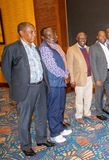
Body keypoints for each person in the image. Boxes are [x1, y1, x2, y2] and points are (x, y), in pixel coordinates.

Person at [1, 22, 54, 156]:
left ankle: (41, 139)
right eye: (31, 32)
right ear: (21, 33)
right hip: (26, 90)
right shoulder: (12, 48)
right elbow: (7, 70)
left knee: (41, 115)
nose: (34, 34)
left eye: (34, 32)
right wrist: (17, 86)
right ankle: (26, 146)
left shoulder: (35, 48)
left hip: (40, 86)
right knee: (25, 119)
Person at [39, 27, 72, 143]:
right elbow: (51, 67)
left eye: (53, 33)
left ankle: (60, 128)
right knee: (54, 108)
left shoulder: (56, 46)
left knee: (61, 107)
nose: (52, 35)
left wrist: (67, 73)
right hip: (53, 83)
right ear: (43, 37)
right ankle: (54, 133)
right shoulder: (44, 48)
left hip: (61, 81)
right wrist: (65, 75)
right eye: (48, 34)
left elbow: (64, 61)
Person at [66, 32, 96, 124]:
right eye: (81, 38)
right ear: (77, 38)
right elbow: (69, 65)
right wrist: (72, 79)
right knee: (79, 98)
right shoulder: (71, 49)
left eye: (84, 38)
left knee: (89, 96)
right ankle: (78, 115)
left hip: (89, 77)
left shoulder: (89, 49)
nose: (83, 40)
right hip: (79, 78)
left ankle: (87, 113)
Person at [90, 31, 109, 119]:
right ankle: (99, 113)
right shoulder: (93, 47)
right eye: (101, 36)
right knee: (99, 95)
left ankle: (107, 108)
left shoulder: (108, 46)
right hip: (100, 76)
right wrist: (96, 79)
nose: (103, 37)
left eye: (104, 36)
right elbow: (93, 64)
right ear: (97, 37)